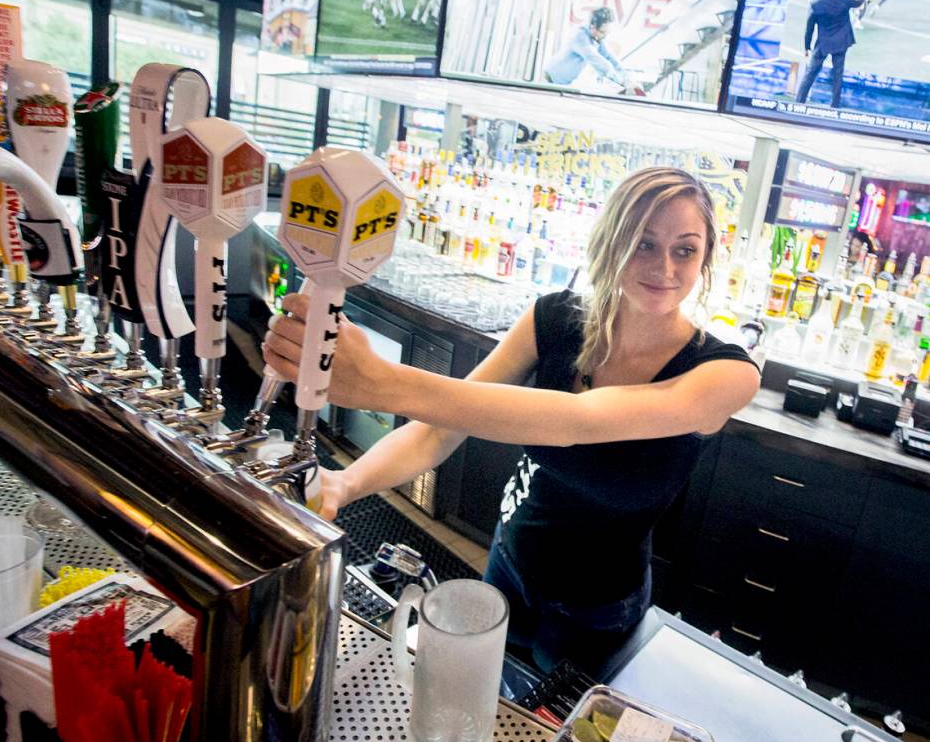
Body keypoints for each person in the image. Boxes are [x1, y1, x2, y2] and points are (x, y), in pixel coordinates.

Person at [263, 167, 761, 677]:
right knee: (489, 691)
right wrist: (345, 483)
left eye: (685, 250)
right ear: (610, 241)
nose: (664, 267)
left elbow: (575, 421)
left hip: (599, 605)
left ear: (705, 259)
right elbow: (440, 428)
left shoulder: (722, 374)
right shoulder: (555, 320)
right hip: (511, 559)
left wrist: (379, 382)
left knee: (557, 729)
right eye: (644, 243)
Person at [796, 0, 864, 108]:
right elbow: (858, 2)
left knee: (810, 73)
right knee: (838, 74)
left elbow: (809, 28)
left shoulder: (816, 3)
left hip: (823, 43)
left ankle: (799, 102)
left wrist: (807, 47)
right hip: (841, 42)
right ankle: (834, 105)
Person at [543, 7, 628, 90]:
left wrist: (627, 79)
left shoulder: (597, 36)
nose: (604, 36)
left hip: (561, 84)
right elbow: (598, 61)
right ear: (593, 26)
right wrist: (621, 82)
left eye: (607, 33)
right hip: (548, 81)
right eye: (602, 32)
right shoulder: (579, 37)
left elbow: (610, 57)